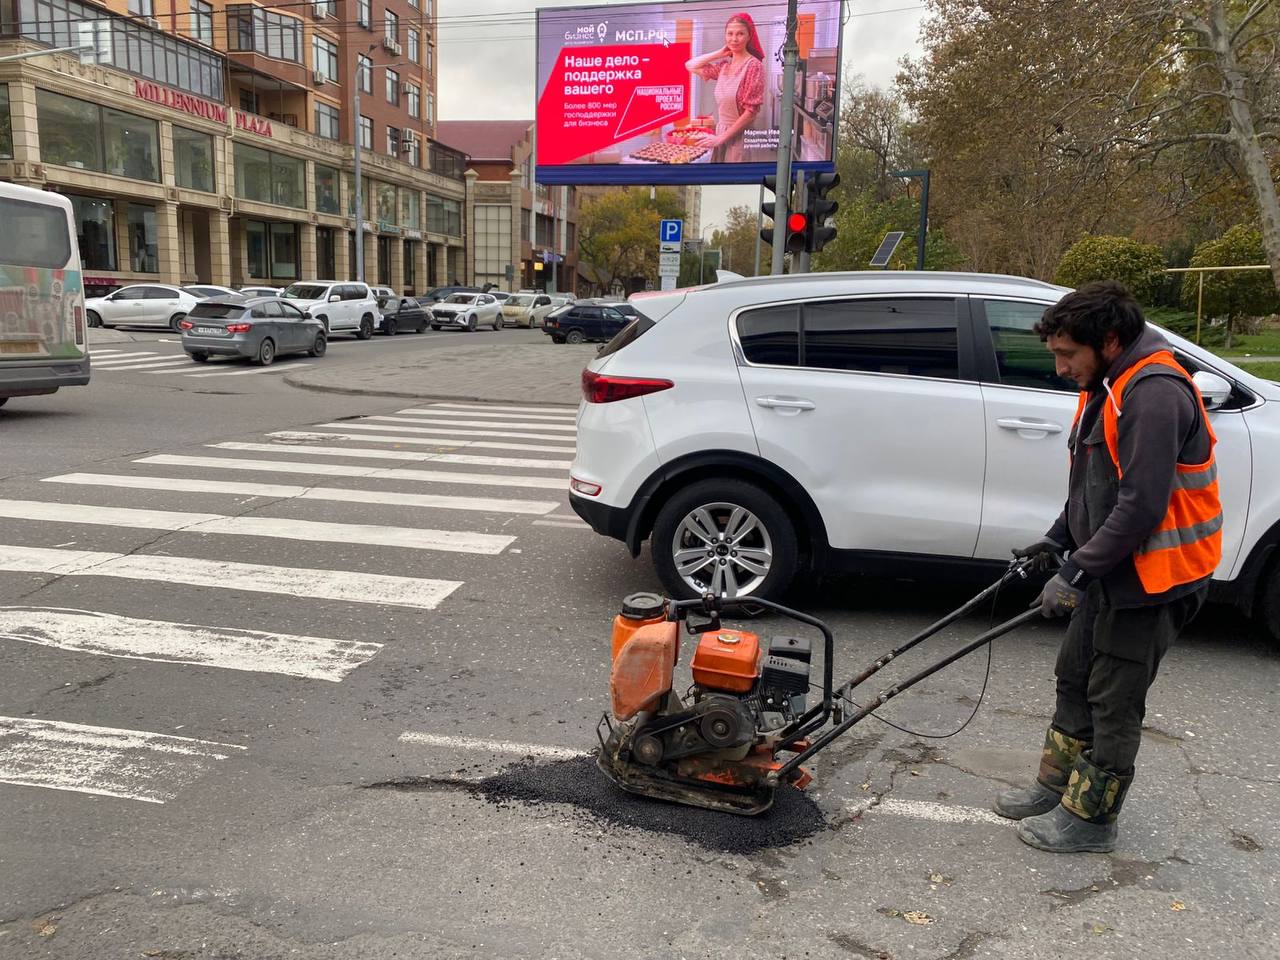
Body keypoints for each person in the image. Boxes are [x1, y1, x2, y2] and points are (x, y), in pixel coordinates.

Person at [996, 281, 1221, 854]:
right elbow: (1095, 483)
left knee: (1114, 698)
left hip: (1155, 578)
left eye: (1068, 354)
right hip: (1112, 566)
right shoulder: (1106, 383)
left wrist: (1075, 572)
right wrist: (1058, 538)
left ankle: (1093, 820)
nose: (1061, 366)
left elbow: (1141, 505)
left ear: (1111, 340)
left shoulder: (1154, 393)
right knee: (1074, 674)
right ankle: (1059, 787)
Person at [684, 13, 766, 163]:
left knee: (737, 181)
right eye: (730, 34)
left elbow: (750, 113)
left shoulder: (754, 66)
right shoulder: (724, 67)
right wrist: (719, 53)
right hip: (721, 133)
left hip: (740, 137)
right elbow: (689, 65)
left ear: (749, 36)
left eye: (740, 34)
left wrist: (720, 139)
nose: (734, 39)